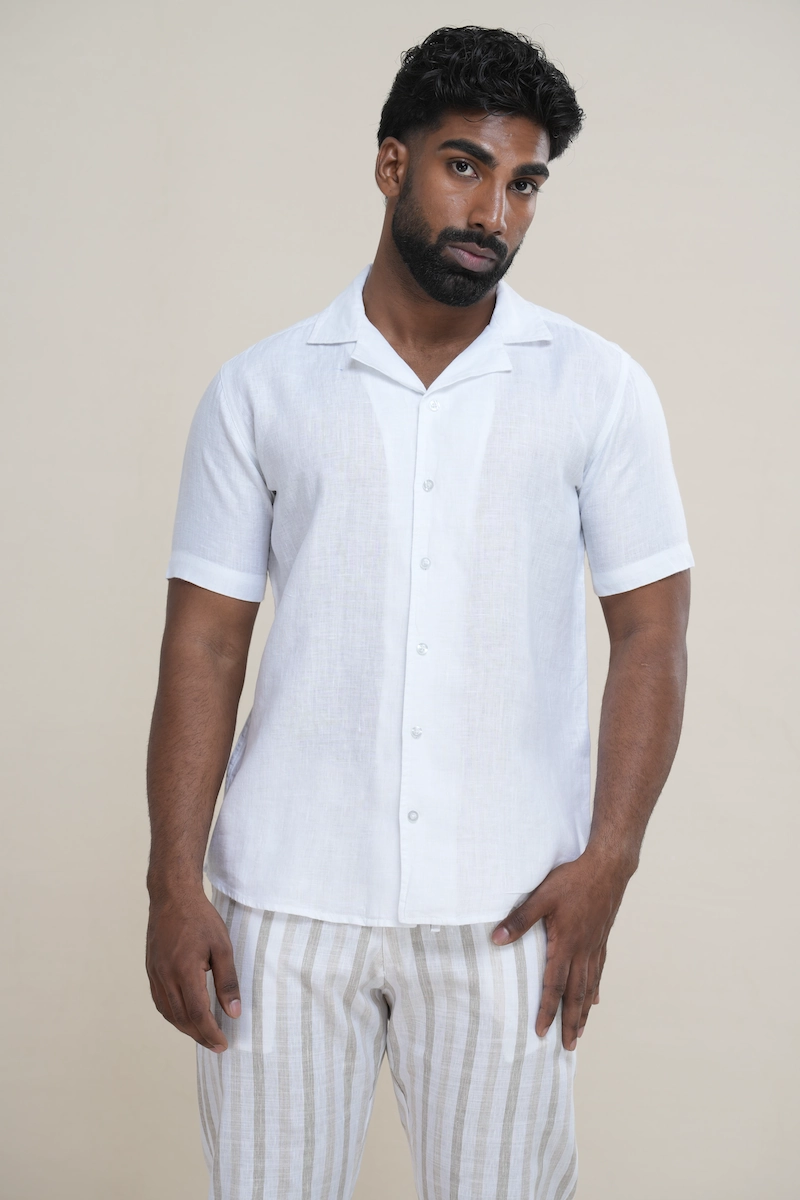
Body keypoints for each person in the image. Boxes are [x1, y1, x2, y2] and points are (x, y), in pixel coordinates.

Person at [145, 24, 693, 1200]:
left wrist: (609, 860)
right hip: (282, 906)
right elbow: (205, 642)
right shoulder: (260, 390)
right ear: (390, 163)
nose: (492, 210)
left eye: (523, 183)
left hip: (509, 907)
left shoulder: (597, 389)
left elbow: (651, 631)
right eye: (463, 165)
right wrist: (172, 883)